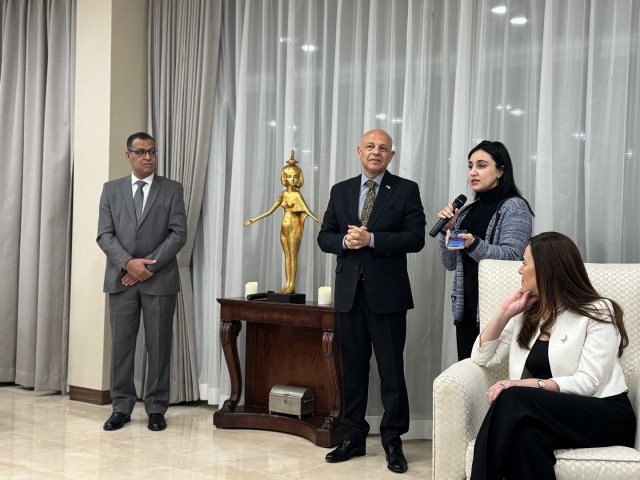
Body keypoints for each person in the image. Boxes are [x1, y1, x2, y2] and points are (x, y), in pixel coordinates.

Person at [470, 232, 636, 479]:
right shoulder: (530, 313)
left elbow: (588, 382)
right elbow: (482, 357)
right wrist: (504, 312)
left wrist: (525, 384)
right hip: (551, 414)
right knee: (525, 439)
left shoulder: (598, 311)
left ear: (546, 268)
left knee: (513, 397)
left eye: (524, 263)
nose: (519, 270)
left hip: (603, 413)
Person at [317, 129, 426, 474]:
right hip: (349, 295)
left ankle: (393, 440)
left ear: (391, 156)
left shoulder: (406, 190)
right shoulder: (341, 190)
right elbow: (325, 236)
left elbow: (415, 238)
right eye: (370, 147)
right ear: (359, 151)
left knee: (391, 370)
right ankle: (354, 436)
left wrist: (372, 239)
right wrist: (346, 244)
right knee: (353, 370)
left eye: (383, 148)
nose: (376, 152)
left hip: (388, 296)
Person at [97, 132, 187, 432]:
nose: (148, 157)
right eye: (141, 152)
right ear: (129, 156)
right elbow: (104, 235)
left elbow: (178, 233)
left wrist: (148, 266)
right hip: (121, 280)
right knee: (121, 347)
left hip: (159, 280)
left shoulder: (172, 189)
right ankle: (121, 406)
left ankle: (156, 408)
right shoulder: (111, 190)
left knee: (159, 346)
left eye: (152, 151)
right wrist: (128, 263)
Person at [436, 141, 533, 360]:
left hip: (499, 308)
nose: (473, 172)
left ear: (500, 170)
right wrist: (446, 230)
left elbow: (513, 257)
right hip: (466, 304)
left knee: (493, 376)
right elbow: (450, 263)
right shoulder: (466, 211)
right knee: (468, 374)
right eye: (470, 166)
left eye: (481, 165)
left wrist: (474, 244)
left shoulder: (514, 207)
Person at [244, 152, 322, 293]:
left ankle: (292, 284)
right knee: (287, 256)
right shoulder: (283, 194)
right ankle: (287, 284)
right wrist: (253, 219)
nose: (292, 179)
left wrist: (318, 221)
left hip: (294, 228)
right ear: (284, 177)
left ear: (299, 178)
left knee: (293, 256)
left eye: (295, 177)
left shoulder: (297, 195)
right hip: (284, 227)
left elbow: (307, 210)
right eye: (289, 176)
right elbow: (270, 211)